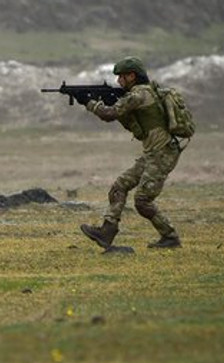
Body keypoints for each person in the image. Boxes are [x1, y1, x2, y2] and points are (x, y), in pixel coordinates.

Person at [78, 56, 183, 249]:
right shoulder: (143, 92)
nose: (118, 82)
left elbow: (108, 114)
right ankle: (107, 232)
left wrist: (89, 102)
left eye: (122, 77)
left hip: (162, 153)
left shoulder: (139, 95)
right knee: (119, 187)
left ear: (132, 76)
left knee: (142, 201)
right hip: (153, 153)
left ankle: (170, 237)